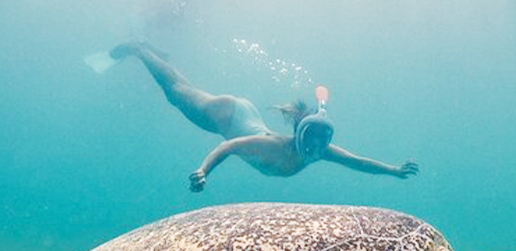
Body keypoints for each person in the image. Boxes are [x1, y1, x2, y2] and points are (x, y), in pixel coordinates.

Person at [109, 42, 419, 192]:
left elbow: (357, 162)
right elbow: (227, 147)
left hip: (245, 115)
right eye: (309, 145)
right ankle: (139, 49)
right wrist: (204, 171)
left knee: (178, 92)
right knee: (176, 93)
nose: (313, 152)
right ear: (298, 137)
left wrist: (393, 171)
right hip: (228, 115)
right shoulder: (272, 146)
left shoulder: (320, 150)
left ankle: (153, 56)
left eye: (320, 145)